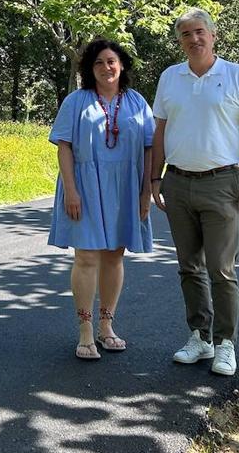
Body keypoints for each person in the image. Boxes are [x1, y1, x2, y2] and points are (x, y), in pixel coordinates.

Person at [151, 8, 239, 376]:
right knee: (189, 266)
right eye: (186, 34)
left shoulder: (236, 75)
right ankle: (200, 337)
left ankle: (225, 343)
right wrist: (155, 178)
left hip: (222, 183)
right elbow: (159, 132)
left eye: (200, 32)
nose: (194, 39)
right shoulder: (170, 77)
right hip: (178, 182)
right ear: (180, 41)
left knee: (221, 268)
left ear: (213, 35)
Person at [49, 39, 155, 360]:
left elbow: (150, 148)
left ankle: (106, 327)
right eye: (99, 63)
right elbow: (64, 145)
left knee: (114, 256)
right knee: (87, 257)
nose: (106, 68)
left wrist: (146, 192)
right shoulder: (76, 102)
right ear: (89, 69)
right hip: (84, 185)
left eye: (111, 61)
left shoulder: (137, 102)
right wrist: (71, 189)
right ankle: (85, 331)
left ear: (121, 66)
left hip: (126, 187)